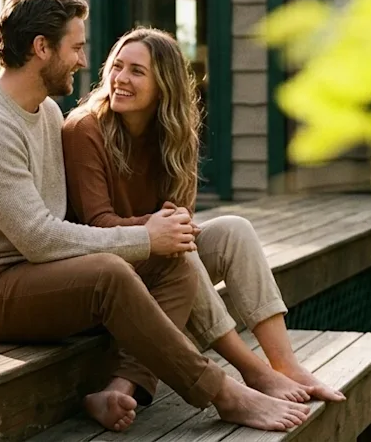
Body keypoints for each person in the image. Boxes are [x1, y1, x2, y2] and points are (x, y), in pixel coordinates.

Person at [0, 0, 309, 434]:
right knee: (112, 271)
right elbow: (38, 238)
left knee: (172, 261)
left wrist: (156, 240)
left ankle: (124, 385)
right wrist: (144, 236)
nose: (84, 62)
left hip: (38, 276)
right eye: (76, 47)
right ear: (40, 48)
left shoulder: (45, 111)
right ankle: (222, 392)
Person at [61, 26, 346, 406]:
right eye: (117, 67)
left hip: (158, 270)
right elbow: (96, 225)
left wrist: (166, 231)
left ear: (165, 85)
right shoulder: (85, 128)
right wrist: (154, 230)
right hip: (107, 274)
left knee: (233, 230)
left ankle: (285, 364)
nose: (120, 79)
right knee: (177, 249)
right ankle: (252, 370)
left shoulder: (173, 136)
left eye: (136, 71)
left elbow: (182, 221)